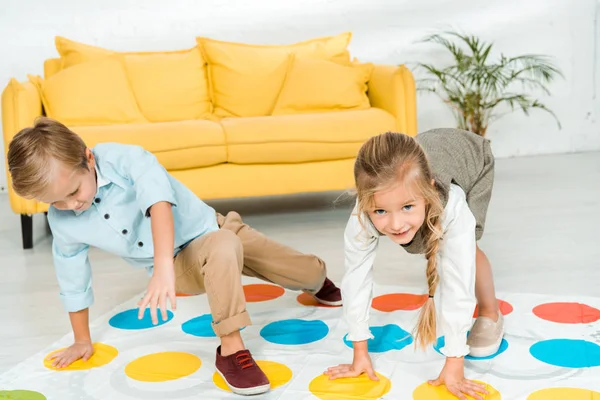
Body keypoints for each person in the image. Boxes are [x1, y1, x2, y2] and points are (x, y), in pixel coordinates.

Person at [7, 117, 343, 396]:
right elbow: (72, 275)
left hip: (214, 227)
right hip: (185, 263)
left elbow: (159, 204)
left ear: (89, 159)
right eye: (56, 202)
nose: (71, 206)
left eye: (73, 193)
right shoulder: (63, 220)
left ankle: (315, 280)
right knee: (223, 247)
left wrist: (161, 270)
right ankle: (231, 349)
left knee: (307, 272)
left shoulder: (126, 159)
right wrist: (81, 339)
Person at [325, 129, 504, 400]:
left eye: (407, 207)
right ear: (364, 202)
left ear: (429, 188)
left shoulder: (451, 206)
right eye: (381, 211)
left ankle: (491, 312)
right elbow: (355, 279)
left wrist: (454, 361)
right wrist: (359, 351)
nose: (396, 225)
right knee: (431, 239)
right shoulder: (362, 217)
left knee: (466, 248)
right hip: (433, 162)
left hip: (472, 159)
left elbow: (457, 278)